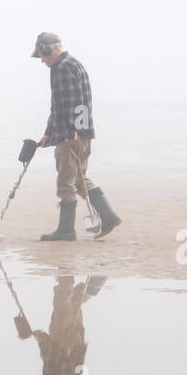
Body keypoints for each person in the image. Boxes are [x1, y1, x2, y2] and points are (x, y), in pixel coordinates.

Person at [31, 32, 122, 241]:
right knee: (78, 180)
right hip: (78, 134)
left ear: (48, 49)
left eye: (42, 56)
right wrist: (48, 133)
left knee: (65, 182)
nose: (42, 61)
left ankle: (66, 231)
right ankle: (109, 216)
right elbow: (58, 107)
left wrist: (73, 131)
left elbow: (76, 102)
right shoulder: (72, 64)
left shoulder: (62, 67)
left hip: (72, 136)